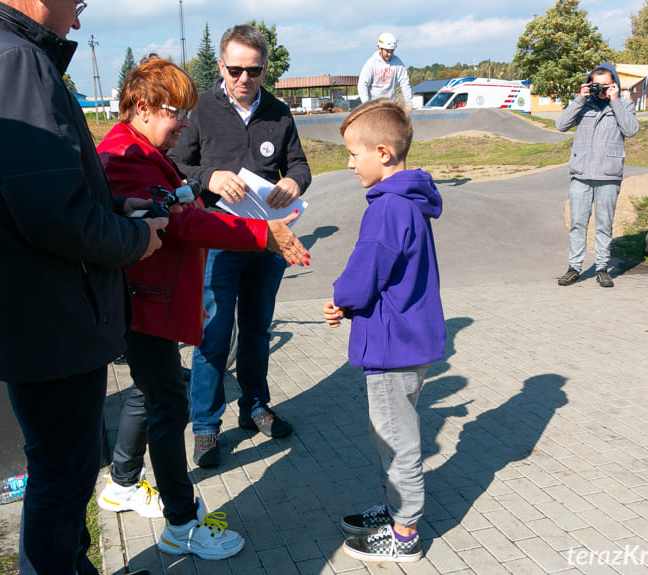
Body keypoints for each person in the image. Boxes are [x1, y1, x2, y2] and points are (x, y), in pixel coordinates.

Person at [0, 2, 169, 573]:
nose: (78, 21)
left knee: (54, 469)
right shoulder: (16, 61)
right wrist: (137, 238)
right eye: (77, 3)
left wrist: (110, 206)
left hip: (17, 304)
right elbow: (56, 217)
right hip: (52, 315)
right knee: (64, 476)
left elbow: (24, 190)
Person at [95, 55, 308, 558]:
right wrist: (263, 233)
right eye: (177, 113)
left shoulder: (145, 149)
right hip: (144, 304)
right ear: (143, 108)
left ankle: (123, 483)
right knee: (169, 403)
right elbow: (185, 224)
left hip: (151, 303)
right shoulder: (125, 156)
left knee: (153, 393)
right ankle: (181, 523)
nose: (185, 123)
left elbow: (182, 209)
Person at [169, 24, 312, 468]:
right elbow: (174, 163)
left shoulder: (279, 112)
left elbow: (300, 164)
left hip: (268, 240)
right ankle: (206, 426)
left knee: (256, 328)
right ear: (221, 66)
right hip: (218, 239)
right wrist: (207, 178)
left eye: (254, 71)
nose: (244, 79)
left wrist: (293, 180)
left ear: (265, 68)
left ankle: (254, 407)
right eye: (235, 70)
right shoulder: (200, 111)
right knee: (213, 332)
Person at [322, 99, 445, 563]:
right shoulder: (409, 201)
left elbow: (366, 268)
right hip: (412, 338)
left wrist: (341, 300)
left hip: (394, 344)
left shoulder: (388, 208)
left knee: (396, 437)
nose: (350, 164)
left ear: (383, 153)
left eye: (354, 154)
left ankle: (405, 531)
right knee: (396, 429)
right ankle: (395, 508)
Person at [555, 62, 639, 288]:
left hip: (608, 174)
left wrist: (615, 100)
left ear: (614, 84)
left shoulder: (624, 105)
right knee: (577, 224)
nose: (599, 89)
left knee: (604, 224)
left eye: (605, 85)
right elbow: (561, 125)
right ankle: (574, 268)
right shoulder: (583, 104)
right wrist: (579, 99)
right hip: (581, 173)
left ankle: (602, 267)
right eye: (595, 85)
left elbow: (630, 130)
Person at [357, 33, 412, 109]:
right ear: (379, 48)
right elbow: (362, 84)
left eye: (392, 51)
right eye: (387, 51)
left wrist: (408, 103)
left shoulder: (397, 63)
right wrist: (366, 105)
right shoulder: (371, 63)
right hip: (373, 107)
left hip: (390, 106)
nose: (389, 54)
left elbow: (404, 82)